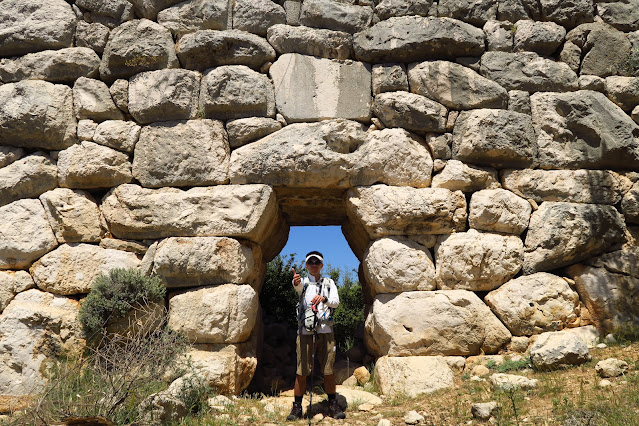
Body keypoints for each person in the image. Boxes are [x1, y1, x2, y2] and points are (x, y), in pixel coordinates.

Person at [287, 251, 346, 421]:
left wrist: (324, 299)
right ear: (306, 265)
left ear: (321, 265)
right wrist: (295, 282)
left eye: (317, 262)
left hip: (325, 331)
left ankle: (333, 405)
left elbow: (336, 302)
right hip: (305, 332)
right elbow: (297, 286)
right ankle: (297, 408)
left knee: (328, 370)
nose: (314, 265)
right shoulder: (302, 282)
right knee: (302, 370)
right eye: (310, 262)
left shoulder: (329, 283)